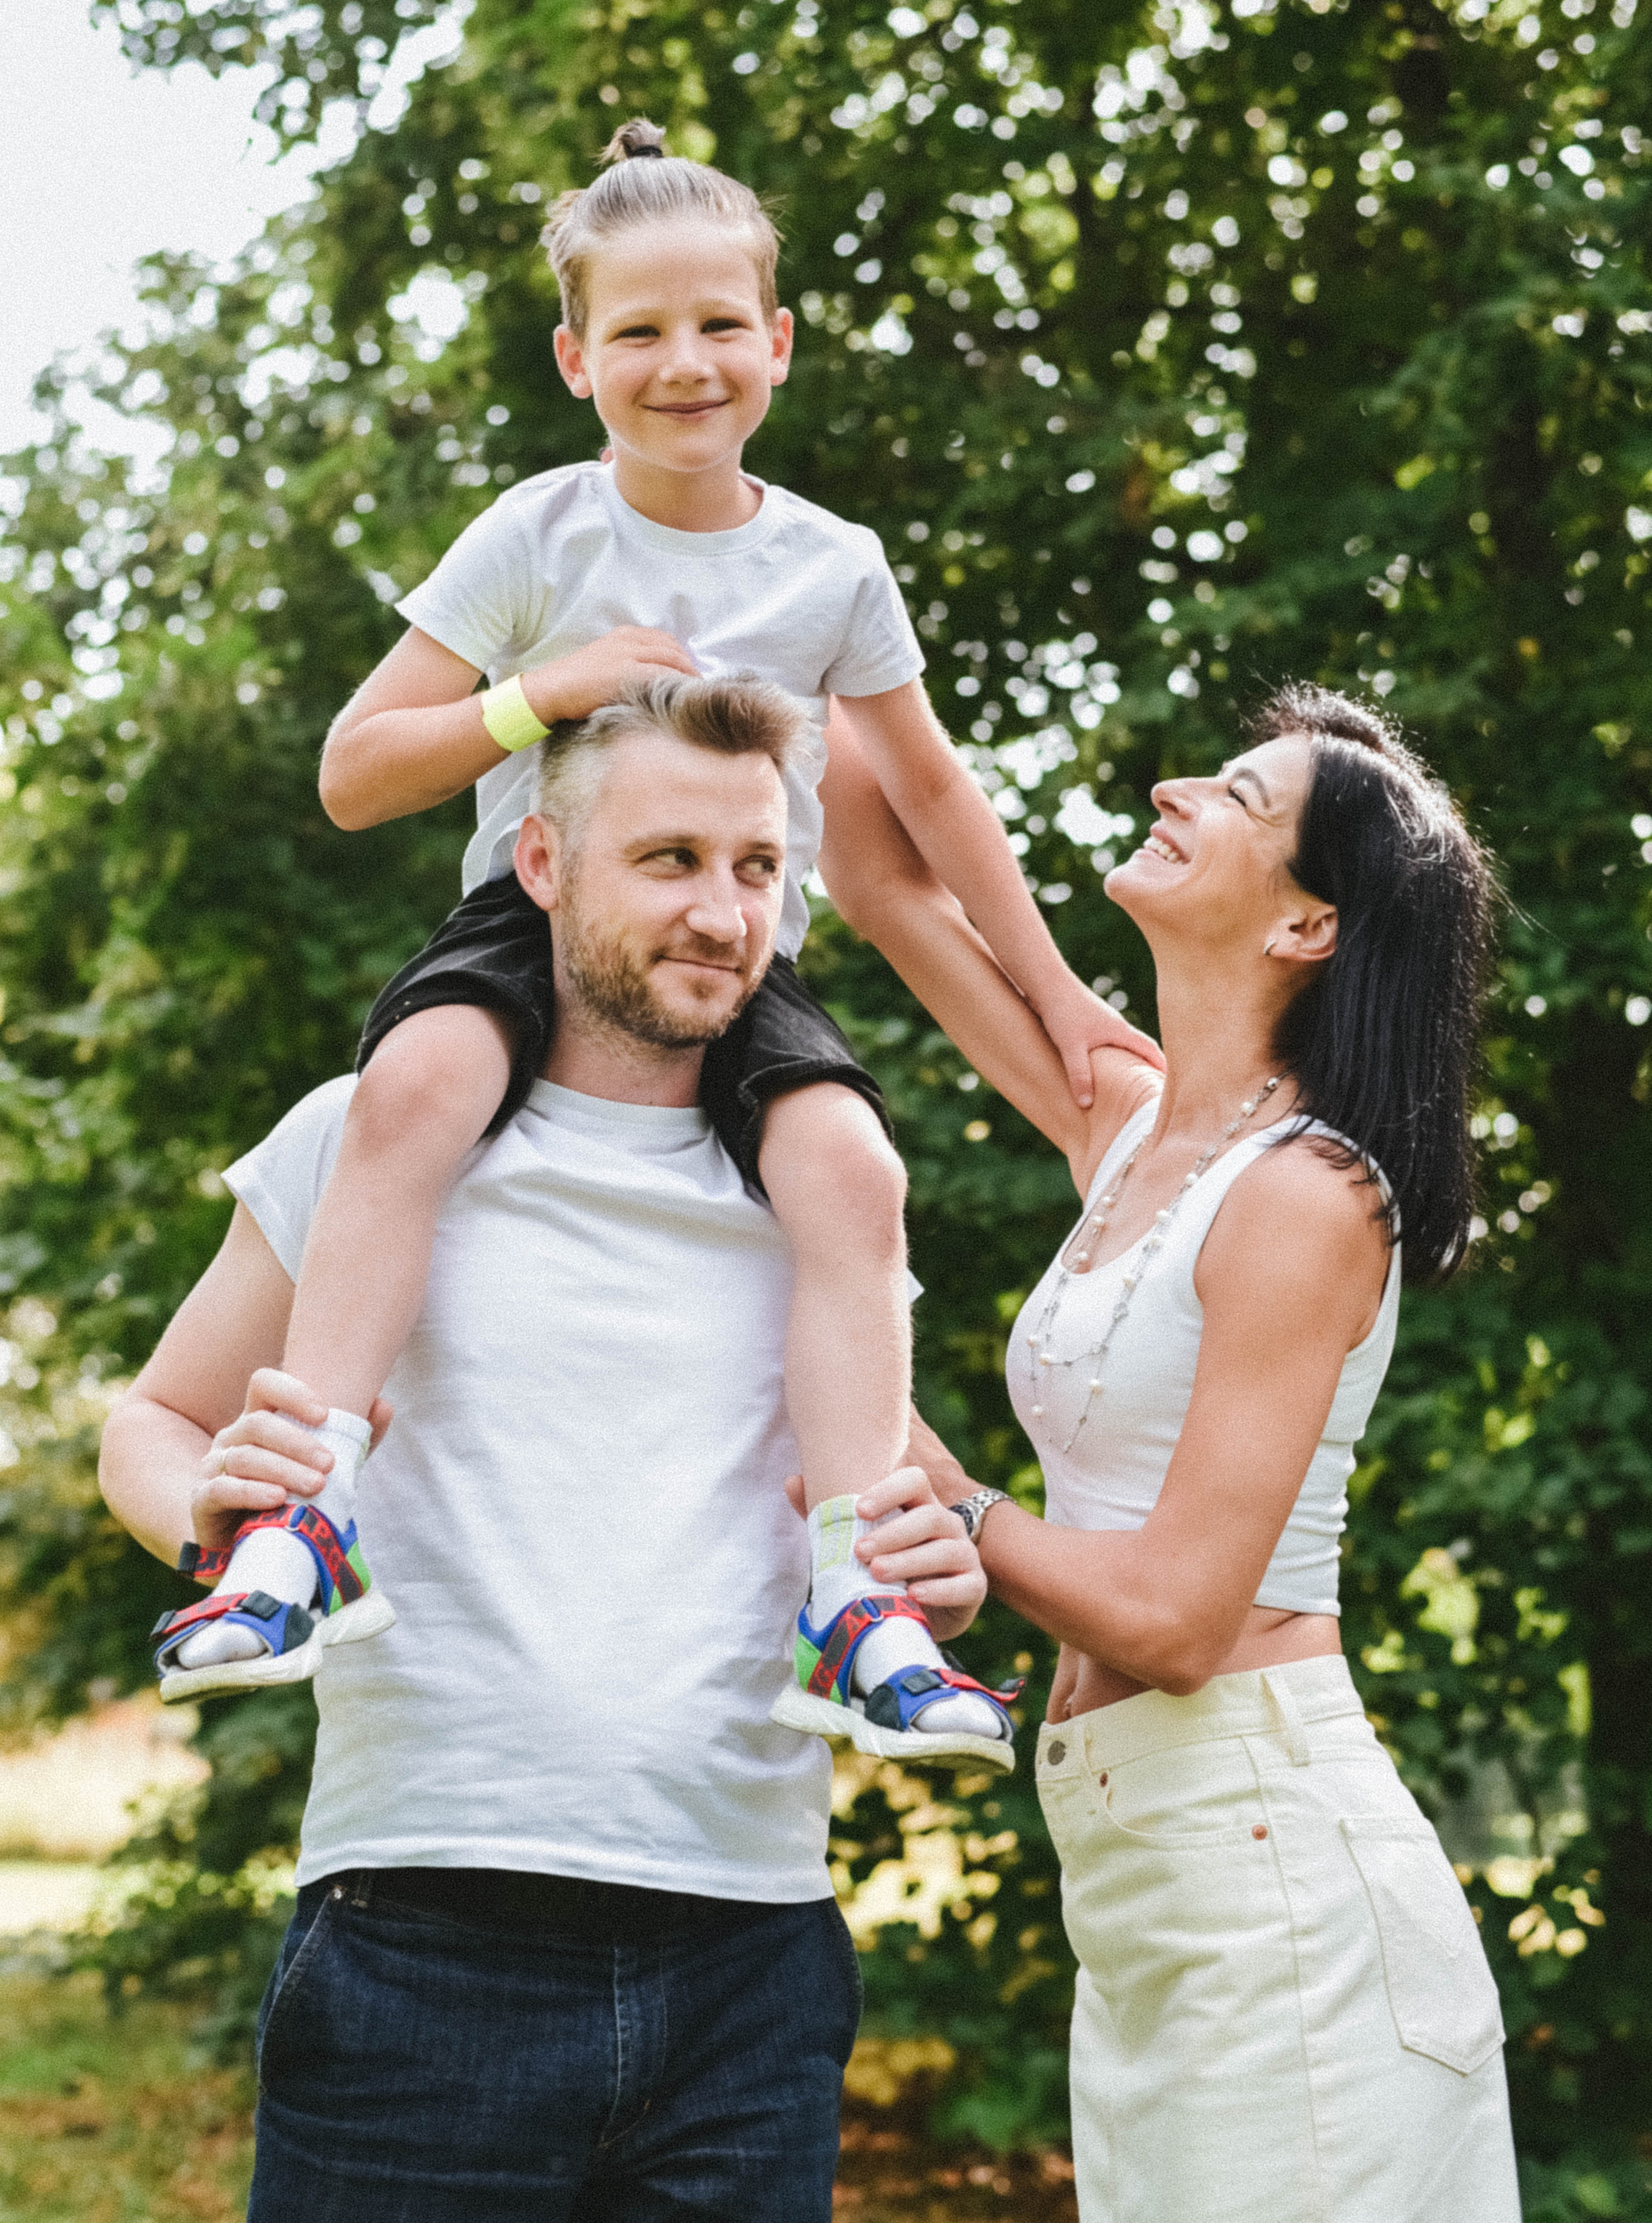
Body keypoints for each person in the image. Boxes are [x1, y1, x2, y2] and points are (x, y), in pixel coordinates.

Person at [154, 118, 1153, 1763]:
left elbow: (933, 804)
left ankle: (853, 1591)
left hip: (731, 945)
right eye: (636, 331)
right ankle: (309, 1504)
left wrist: (1059, 1002)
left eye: (713, 327)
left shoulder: (833, 565)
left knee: (851, 1168)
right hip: (527, 928)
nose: (680, 363)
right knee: (411, 1090)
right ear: (574, 359)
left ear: (777, 343)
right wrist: (533, 694)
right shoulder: (540, 533)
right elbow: (352, 772)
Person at [102, 674, 994, 2222]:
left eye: (757, 869)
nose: (725, 915)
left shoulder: (818, 1186)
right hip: (416, 1941)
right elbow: (152, 1417)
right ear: (540, 865)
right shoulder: (369, 1132)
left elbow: (896, 1495)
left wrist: (937, 1565)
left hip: (751, 1962)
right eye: (668, 861)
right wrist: (206, 1500)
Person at [817, 682, 1521, 2222]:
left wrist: (937, 1483)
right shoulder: (1132, 1125)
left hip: (1268, 1868)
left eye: (1240, 801)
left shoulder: (1306, 1197)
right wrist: (799, 625)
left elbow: (1178, 1622)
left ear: (1305, 927)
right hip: (1146, 1868)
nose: (1175, 789)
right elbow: (875, 879)